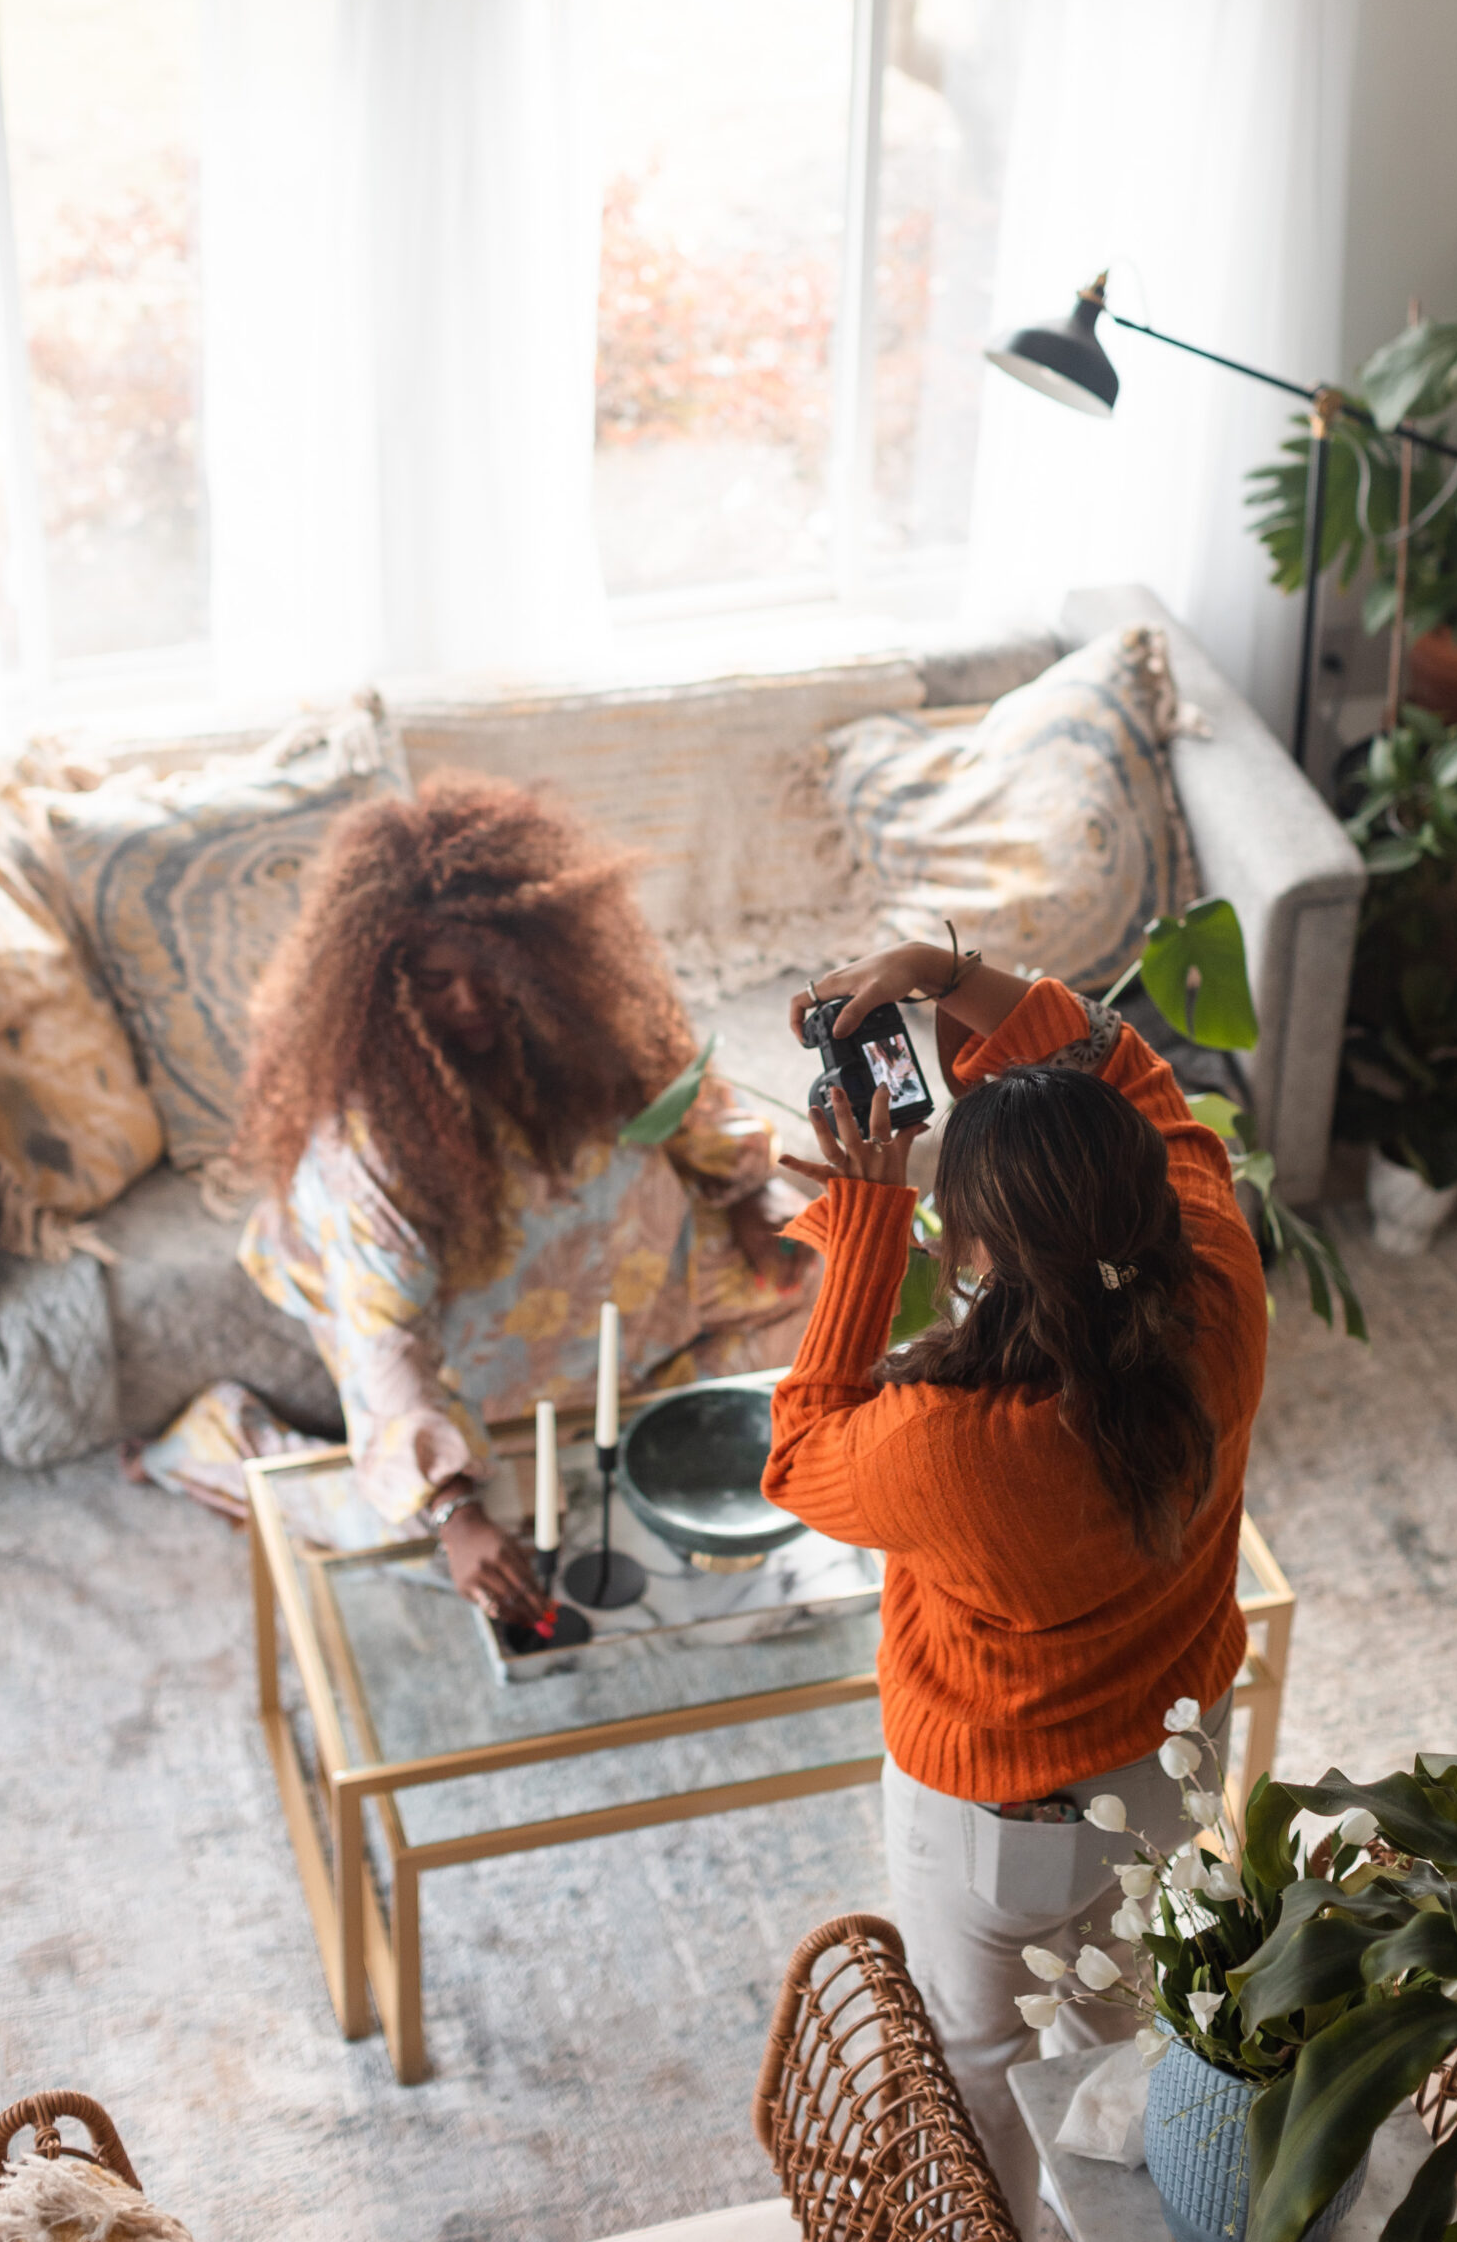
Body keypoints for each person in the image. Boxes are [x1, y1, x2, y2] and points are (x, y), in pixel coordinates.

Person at [762, 937, 1266, 2238]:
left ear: (971, 1244)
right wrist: (948, 973)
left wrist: (867, 1220)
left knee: (982, 2078)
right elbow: (1123, 1066)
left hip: (1003, 1828)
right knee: (1117, 2046)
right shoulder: (1220, 1283)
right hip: (1174, 1761)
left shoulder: (949, 1448)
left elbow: (800, 1450)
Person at [235, 773, 814, 1621]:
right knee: (448, 1551)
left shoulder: (583, 1021)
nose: (467, 1003)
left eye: (489, 974)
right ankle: (226, 1444)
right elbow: (389, 1345)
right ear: (377, 983)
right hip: (479, 1349)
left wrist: (754, 1193)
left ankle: (645, 1437)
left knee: (840, 1298)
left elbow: (684, 1100)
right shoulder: (368, 1141)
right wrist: (450, 1509)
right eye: (433, 981)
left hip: (642, 1296)